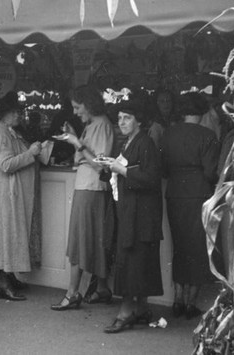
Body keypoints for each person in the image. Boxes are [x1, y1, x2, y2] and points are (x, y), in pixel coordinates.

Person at [102, 96, 164, 333]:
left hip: (140, 215)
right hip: (132, 213)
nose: (122, 122)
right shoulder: (129, 142)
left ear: (139, 121)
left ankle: (126, 313)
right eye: (119, 118)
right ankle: (139, 309)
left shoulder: (145, 143)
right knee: (137, 261)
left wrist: (121, 169)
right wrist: (112, 165)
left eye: (127, 118)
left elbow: (151, 179)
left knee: (132, 261)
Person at [50, 85, 114, 311]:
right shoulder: (96, 124)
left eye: (78, 107)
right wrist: (76, 138)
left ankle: (72, 293)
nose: (75, 112)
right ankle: (102, 288)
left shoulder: (101, 125)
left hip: (90, 189)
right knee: (95, 239)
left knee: (80, 241)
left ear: (89, 103)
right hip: (90, 188)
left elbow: (100, 164)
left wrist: (77, 143)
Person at [161, 92, 221, 319]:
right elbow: (210, 171)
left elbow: (164, 170)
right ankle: (190, 303)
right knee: (197, 247)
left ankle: (177, 299)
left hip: (175, 192)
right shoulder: (208, 135)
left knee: (180, 246)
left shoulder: (168, 134)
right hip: (198, 194)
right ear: (203, 111)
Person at [0, 92, 42, 301]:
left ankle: (9, 277)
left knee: (9, 234)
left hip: (10, 192)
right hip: (5, 193)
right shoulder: (0, 134)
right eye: (15, 112)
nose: (19, 115)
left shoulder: (9, 132)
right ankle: (4, 283)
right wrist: (31, 153)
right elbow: (6, 164)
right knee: (6, 235)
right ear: (5, 114)